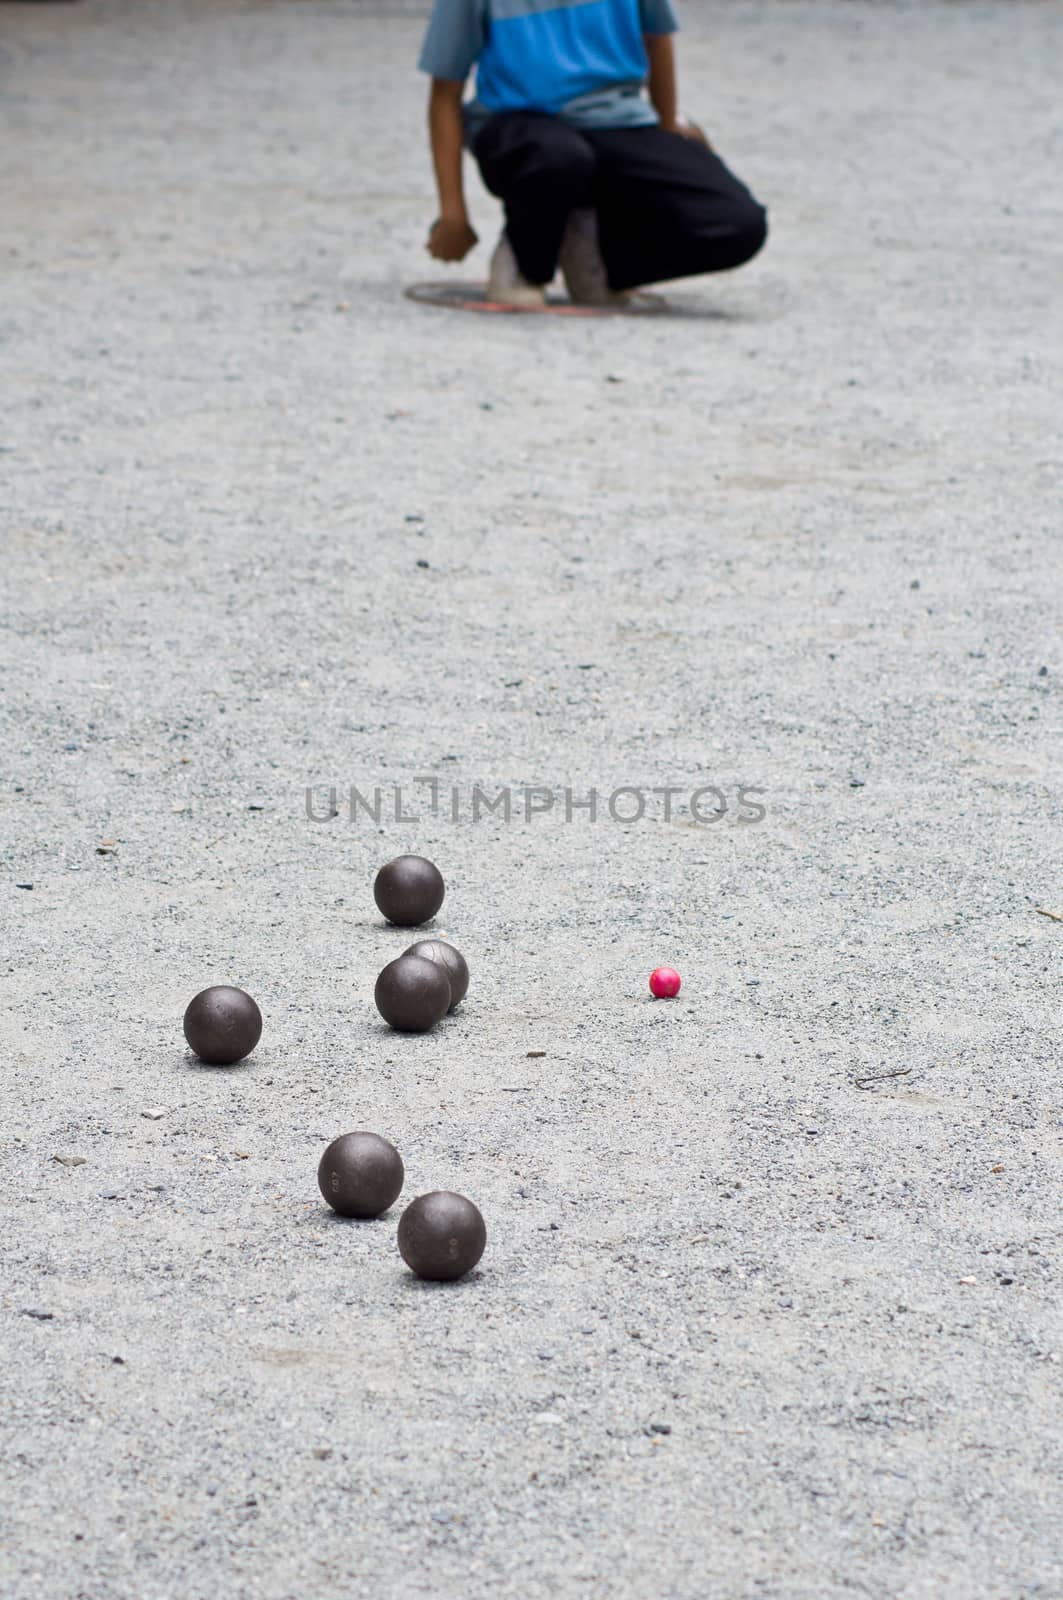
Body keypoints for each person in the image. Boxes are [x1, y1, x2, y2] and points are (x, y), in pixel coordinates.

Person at [418, 0, 768, 307]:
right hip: (519, 127)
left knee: (739, 223)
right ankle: (526, 264)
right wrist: (453, 214)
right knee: (559, 157)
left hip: (615, 121)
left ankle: (601, 254)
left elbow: (658, 40)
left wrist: (667, 132)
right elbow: (445, 93)